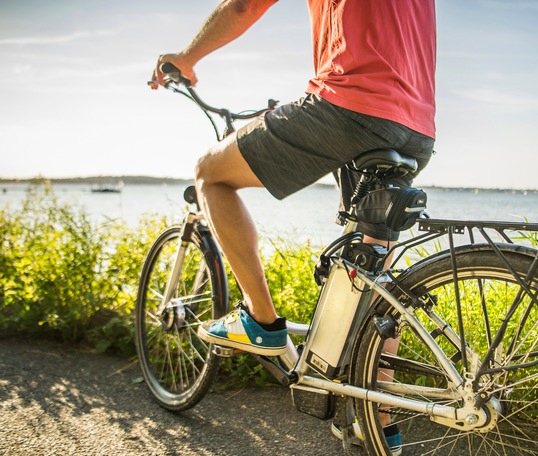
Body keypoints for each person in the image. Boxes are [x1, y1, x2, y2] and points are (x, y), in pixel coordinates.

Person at [151, 0, 435, 364]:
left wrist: (186, 58)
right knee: (374, 269)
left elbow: (243, 6)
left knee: (210, 173)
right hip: (416, 127)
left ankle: (260, 321)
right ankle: (375, 413)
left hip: (349, 107)